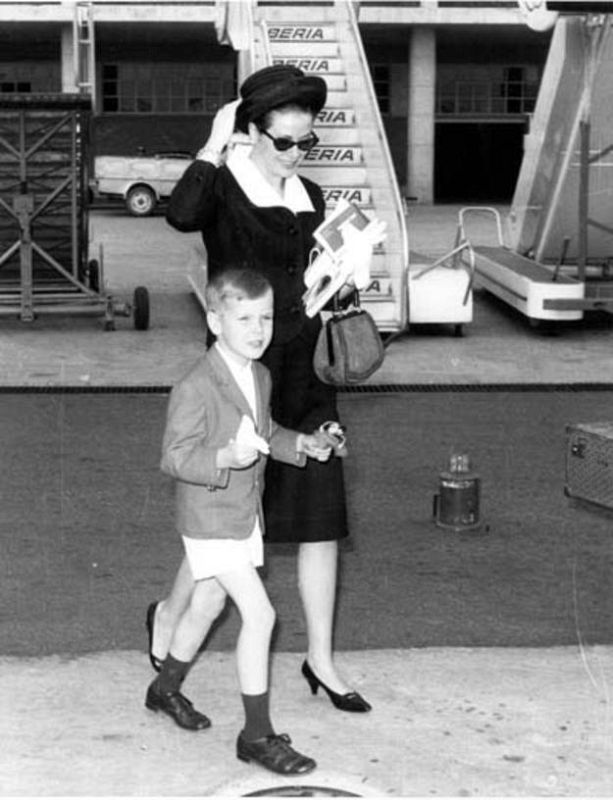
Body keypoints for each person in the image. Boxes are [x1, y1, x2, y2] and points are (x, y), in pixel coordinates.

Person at [149, 64, 371, 713]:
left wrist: (343, 282)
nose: (297, 155)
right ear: (249, 132)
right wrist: (212, 145)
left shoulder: (313, 198)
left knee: (320, 518)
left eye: (308, 143)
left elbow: (315, 285)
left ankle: (321, 659)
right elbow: (180, 214)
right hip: (240, 379)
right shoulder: (220, 183)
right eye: (284, 142)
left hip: (304, 374)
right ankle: (166, 616)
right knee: (224, 523)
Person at [147, 267, 336, 775]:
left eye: (266, 318)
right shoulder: (195, 386)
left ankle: (164, 690)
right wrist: (222, 460)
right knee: (261, 615)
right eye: (245, 318)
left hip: (240, 513)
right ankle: (256, 736)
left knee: (207, 602)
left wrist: (300, 444)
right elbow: (174, 457)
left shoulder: (259, 373)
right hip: (209, 516)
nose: (258, 329)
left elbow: (264, 430)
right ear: (214, 319)